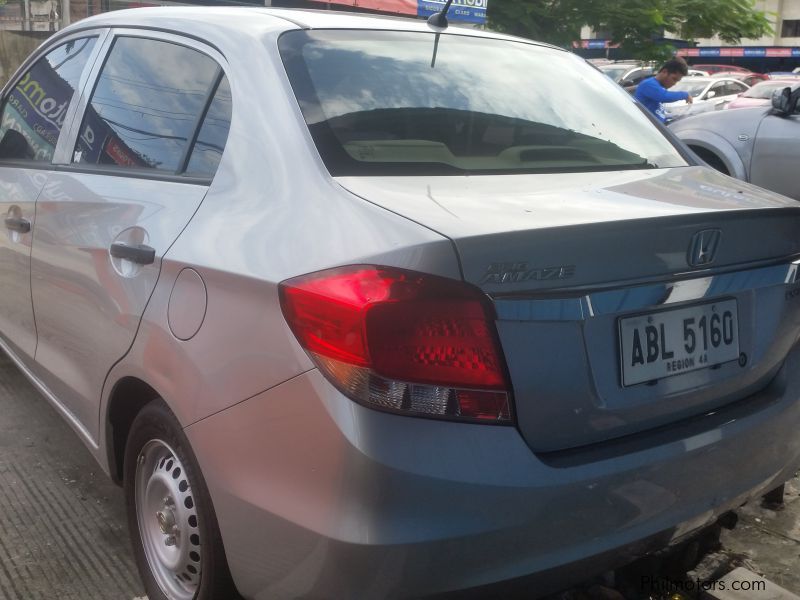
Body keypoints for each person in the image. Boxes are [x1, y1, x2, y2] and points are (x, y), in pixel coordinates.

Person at [634, 58, 693, 123]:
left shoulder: (658, 87)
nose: (674, 83)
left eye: (677, 81)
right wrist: (685, 95)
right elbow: (664, 96)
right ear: (665, 72)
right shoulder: (648, 84)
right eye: (674, 79)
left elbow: (658, 114)